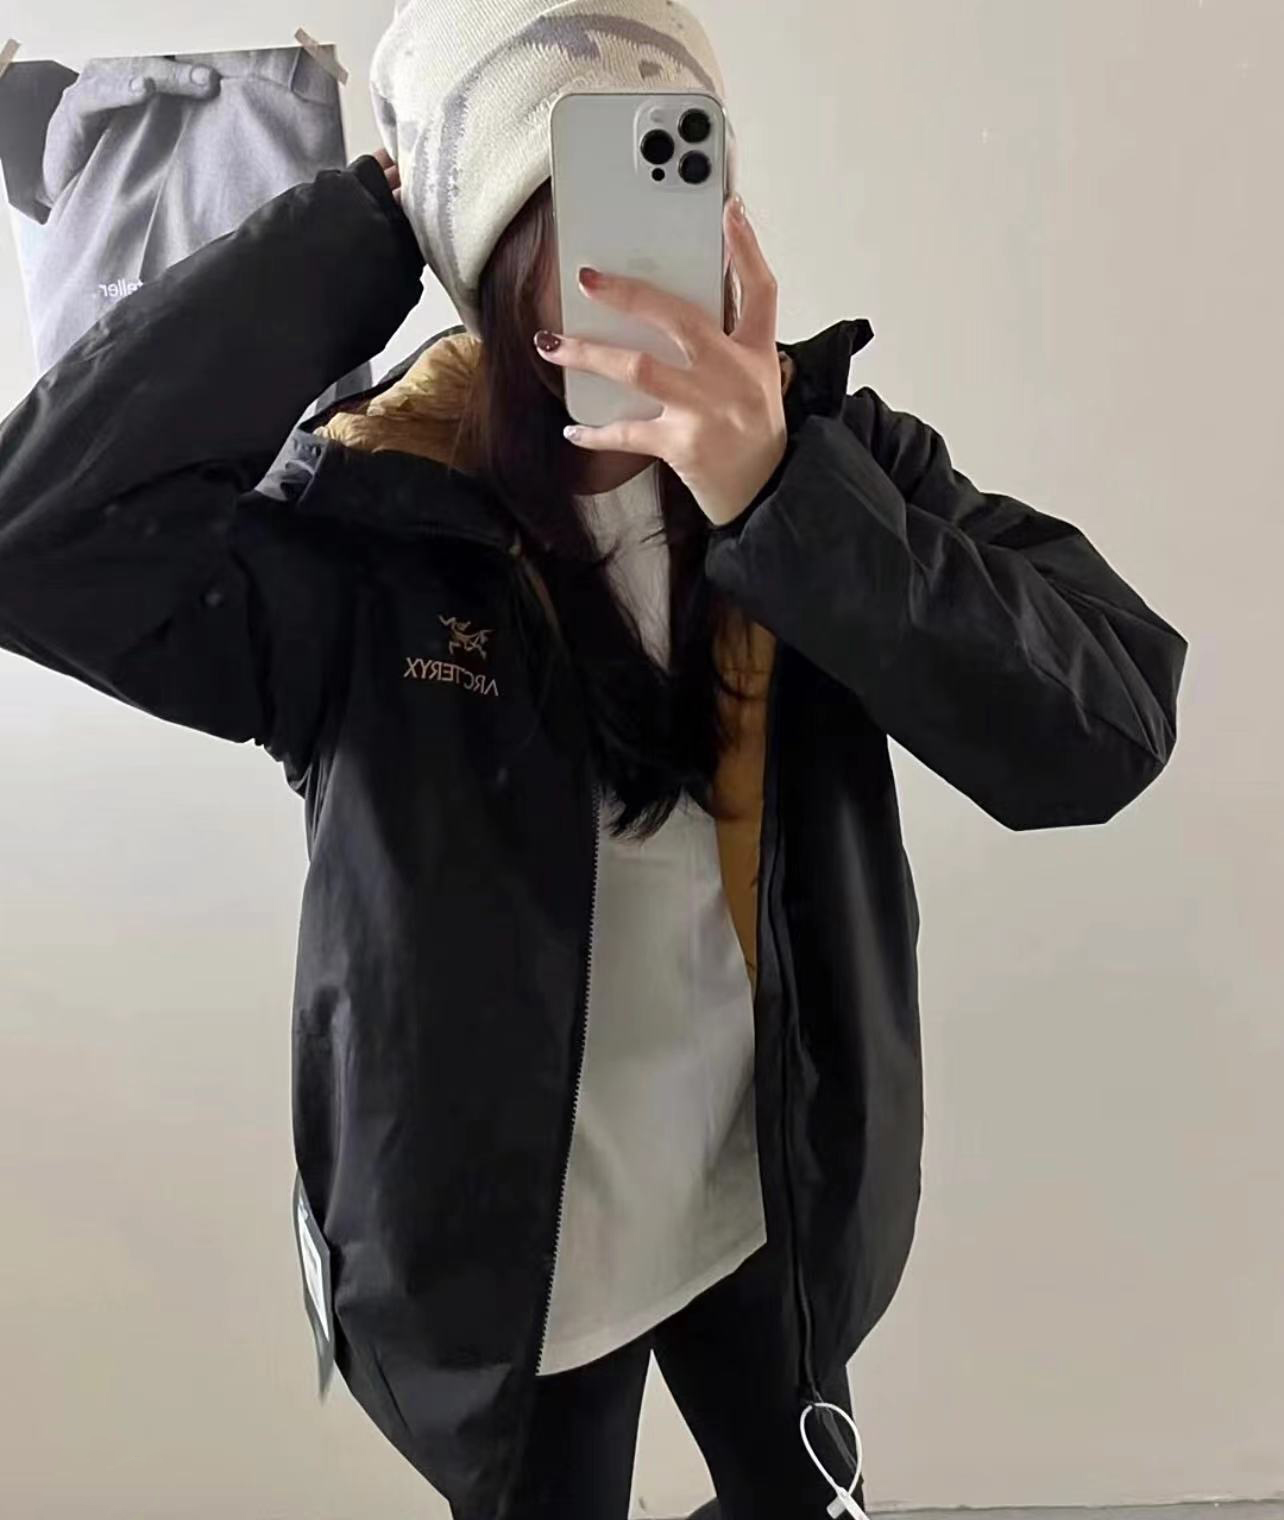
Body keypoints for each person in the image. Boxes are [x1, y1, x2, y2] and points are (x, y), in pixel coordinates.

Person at [0, 2, 1188, 1517]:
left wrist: (779, 498)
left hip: (764, 1197)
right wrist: (372, 220)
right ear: (481, 262)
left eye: (665, 186)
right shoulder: (372, 536)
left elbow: (1108, 728)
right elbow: (38, 548)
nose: (629, 277)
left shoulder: (839, 466)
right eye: (551, 219)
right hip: (517, 1263)